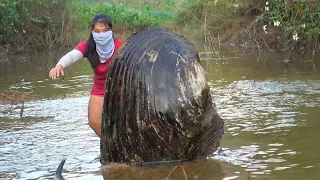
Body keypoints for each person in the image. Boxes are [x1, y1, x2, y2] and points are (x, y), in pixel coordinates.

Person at [49, 14, 123, 137]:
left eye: (105, 31)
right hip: (100, 88)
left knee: (120, 121)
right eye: (97, 31)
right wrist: (59, 65)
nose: (101, 34)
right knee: (94, 122)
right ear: (92, 32)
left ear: (111, 31)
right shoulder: (88, 46)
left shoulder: (120, 45)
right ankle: (110, 144)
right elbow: (72, 55)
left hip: (119, 87)